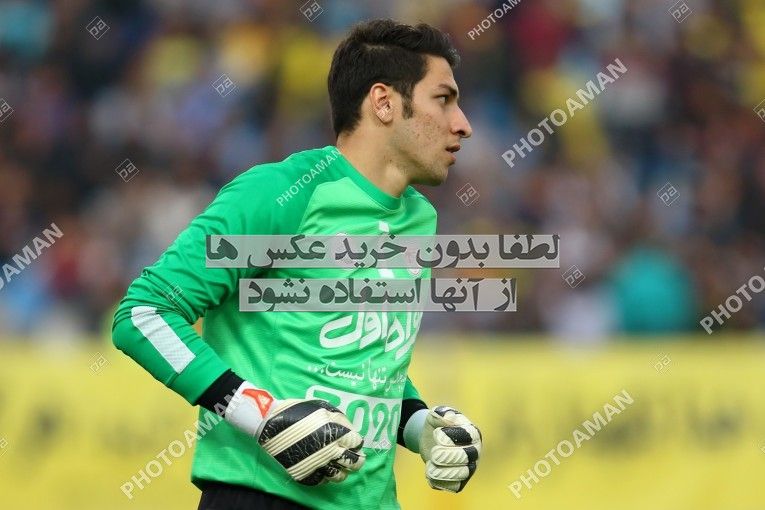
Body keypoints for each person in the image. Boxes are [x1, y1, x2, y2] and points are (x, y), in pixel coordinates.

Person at [112, 19, 481, 510]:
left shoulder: (418, 219)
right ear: (384, 103)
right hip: (262, 497)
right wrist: (260, 415)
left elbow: (360, 361)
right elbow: (143, 314)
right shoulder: (280, 194)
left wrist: (418, 425)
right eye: (444, 99)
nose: (463, 124)